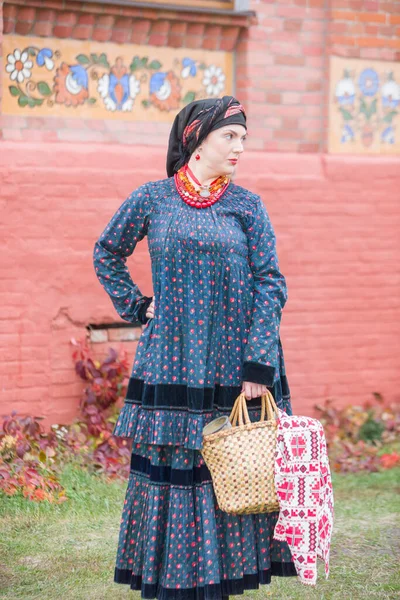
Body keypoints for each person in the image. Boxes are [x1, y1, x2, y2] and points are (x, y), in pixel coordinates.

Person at [93, 95, 297, 599]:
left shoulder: (246, 205)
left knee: (234, 471)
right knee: (175, 468)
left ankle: (221, 582)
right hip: (173, 359)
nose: (240, 147)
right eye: (230, 136)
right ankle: (175, 581)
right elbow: (107, 251)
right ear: (196, 139)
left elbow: (271, 284)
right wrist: (138, 306)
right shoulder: (152, 199)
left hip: (233, 360)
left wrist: (258, 365)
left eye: (244, 138)